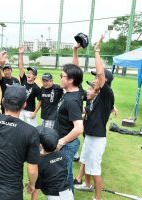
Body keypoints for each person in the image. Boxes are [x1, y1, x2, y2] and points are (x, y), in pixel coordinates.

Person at [0, 51, 40, 200]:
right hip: (11, 194)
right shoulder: (30, 132)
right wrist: (32, 184)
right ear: (24, 105)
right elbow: (32, 169)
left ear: (3, 101)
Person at [74, 35, 115, 200]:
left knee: (95, 167)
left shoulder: (106, 94)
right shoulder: (94, 95)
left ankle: (97, 198)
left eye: (97, 79)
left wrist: (97, 51)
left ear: (104, 81)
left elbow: (100, 73)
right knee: (85, 160)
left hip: (97, 138)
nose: (94, 80)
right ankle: (87, 184)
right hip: (89, 135)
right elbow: (76, 81)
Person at [54, 63, 84, 191]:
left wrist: (62, 141)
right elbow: (75, 68)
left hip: (67, 144)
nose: (60, 78)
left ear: (71, 80)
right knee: (67, 173)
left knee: (63, 176)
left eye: (62, 75)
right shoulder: (75, 91)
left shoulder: (71, 101)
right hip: (65, 141)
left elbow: (78, 128)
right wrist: (75, 51)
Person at [31, 125, 73, 200]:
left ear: (41, 146)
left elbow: (36, 189)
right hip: (67, 193)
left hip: (54, 196)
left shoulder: (39, 163)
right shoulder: (62, 155)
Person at [18, 46, 41, 127]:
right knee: (19, 128)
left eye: (31, 73)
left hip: (29, 111)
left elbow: (40, 101)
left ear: (35, 76)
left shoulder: (36, 88)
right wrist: (21, 54)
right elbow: (21, 67)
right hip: (20, 109)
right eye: (28, 73)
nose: (28, 74)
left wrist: (35, 112)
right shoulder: (23, 80)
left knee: (32, 129)